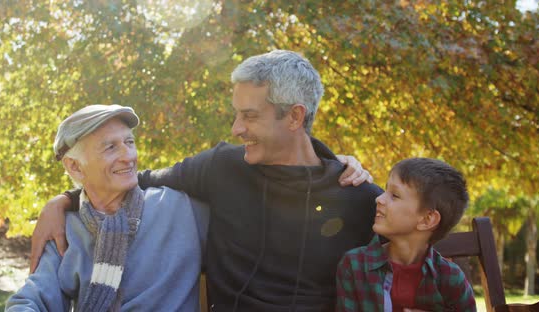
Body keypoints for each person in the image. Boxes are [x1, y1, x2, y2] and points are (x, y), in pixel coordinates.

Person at [31, 50, 382, 311]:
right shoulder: (220, 167)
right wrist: (62, 201)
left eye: (249, 116)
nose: (236, 129)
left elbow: (423, 237)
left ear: (294, 117)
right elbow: (128, 180)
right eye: (236, 114)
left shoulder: (356, 196)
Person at [6, 105, 208, 311]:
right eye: (110, 147)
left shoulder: (179, 208)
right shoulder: (65, 230)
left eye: (129, 142)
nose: (128, 156)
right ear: (74, 166)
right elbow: (31, 300)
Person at [335, 158, 477, 312]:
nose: (379, 199)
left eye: (395, 195)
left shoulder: (451, 278)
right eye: (385, 190)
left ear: (427, 219)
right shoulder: (355, 266)